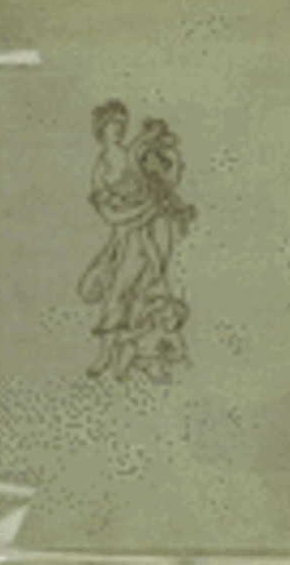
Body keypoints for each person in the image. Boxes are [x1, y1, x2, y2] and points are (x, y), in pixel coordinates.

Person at [77, 100, 196, 381]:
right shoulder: (101, 168)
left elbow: (165, 181)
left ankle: (143, 356)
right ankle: (109, 354)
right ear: (101, 129)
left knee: (146, 290)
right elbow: (108, 213)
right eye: (112, 124)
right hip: (126, 235)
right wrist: (142, 210)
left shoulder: (136, 153)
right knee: (118, 292)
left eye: (122, 123)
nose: (119, 128)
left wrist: (159, 157)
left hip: (150, 233)